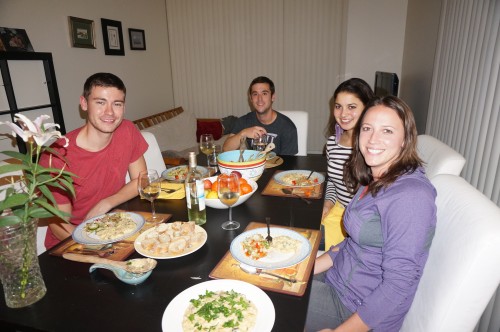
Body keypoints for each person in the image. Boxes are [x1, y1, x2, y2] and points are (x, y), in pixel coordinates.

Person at [305, 96, 437, 331]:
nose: (373, 139)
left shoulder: (411, 196)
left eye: (387, 130)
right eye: (367, 128)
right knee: (269, 279)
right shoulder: (374, 177)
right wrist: (307, 269)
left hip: (354, 309)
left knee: (266, 304)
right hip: (337, 279)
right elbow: (352, 243)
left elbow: (399, 285)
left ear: (405, 139)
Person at [40, 73, 148, 249]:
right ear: (84, 104)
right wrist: (97, 247)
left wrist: (106, 203)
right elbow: (58, 224)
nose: (109, 112)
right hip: (71, 244)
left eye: (117, 104)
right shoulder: (56, 157)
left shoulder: (127, 130)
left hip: (115, 227)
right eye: (100, 102)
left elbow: (141, 180)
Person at [321, 78, 375, 250]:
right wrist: (328, 203)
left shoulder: (373, 148)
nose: (343, 114)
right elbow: (331, 181)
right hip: (338, 211)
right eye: (338, 106)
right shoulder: (332, 143)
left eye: (352, 107)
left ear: (367, 108)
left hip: (362, 221)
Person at [222, 76, 298, 155]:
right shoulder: (244, 121)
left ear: (273, 97)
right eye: (255, 94)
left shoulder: (287, 127)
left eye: (264, 93)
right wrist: (243, 133)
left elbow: (289, 163)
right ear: (251, 98)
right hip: (253, 166)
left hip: (278, 167)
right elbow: (226, 149)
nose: (259, 99)